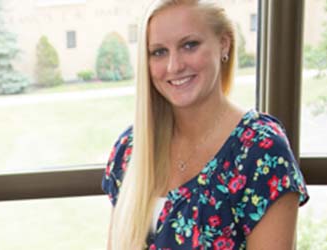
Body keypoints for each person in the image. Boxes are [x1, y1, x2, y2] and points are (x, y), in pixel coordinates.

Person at [101, 1, 309, 249]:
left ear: (224, 43)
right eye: (159, 52)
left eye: (189, 45)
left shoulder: (260, 150)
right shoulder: (132, 148)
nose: (174, 66)